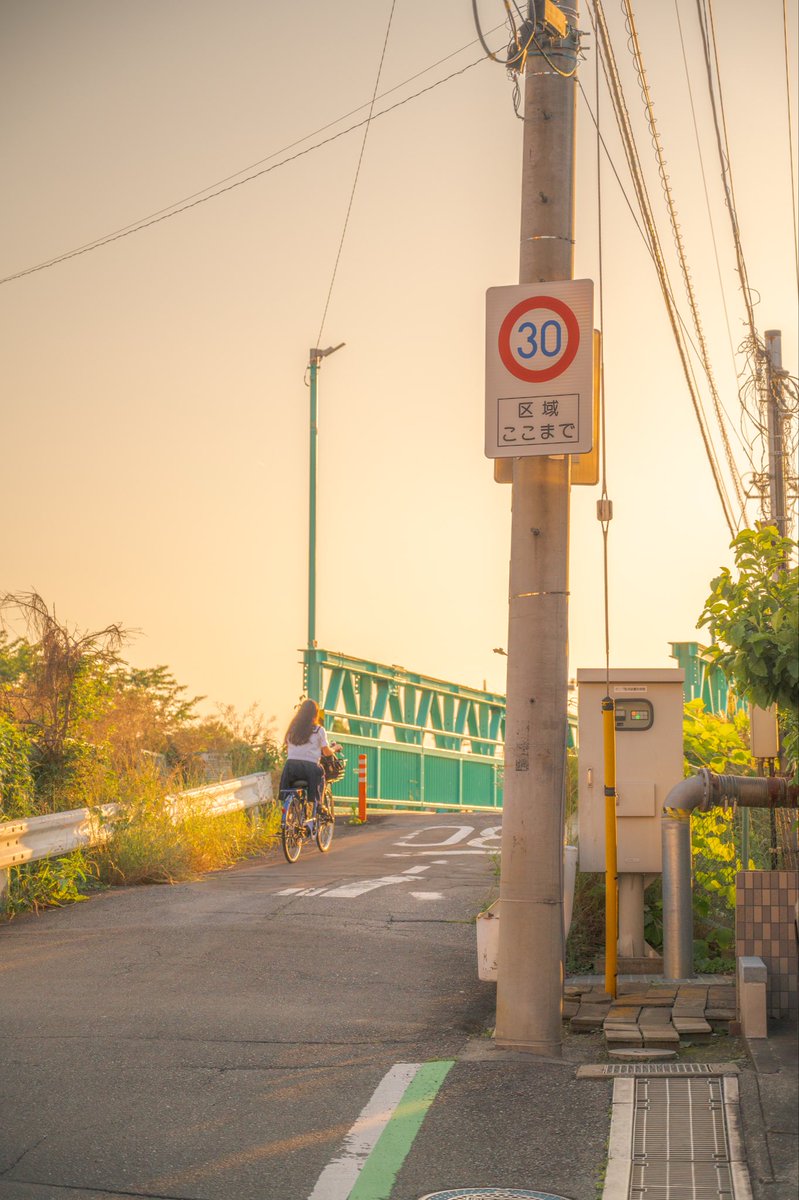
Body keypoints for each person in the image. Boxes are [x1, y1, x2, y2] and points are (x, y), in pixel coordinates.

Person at [280, 699, 340, 812]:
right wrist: (335, 748)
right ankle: (319, 805)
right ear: (315, 714)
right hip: (310, 769)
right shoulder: (318, 730)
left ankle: (292, 813)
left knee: (290, 793)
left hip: (290, 767)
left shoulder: (292, 729)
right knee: (321, 773)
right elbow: (327, 752)